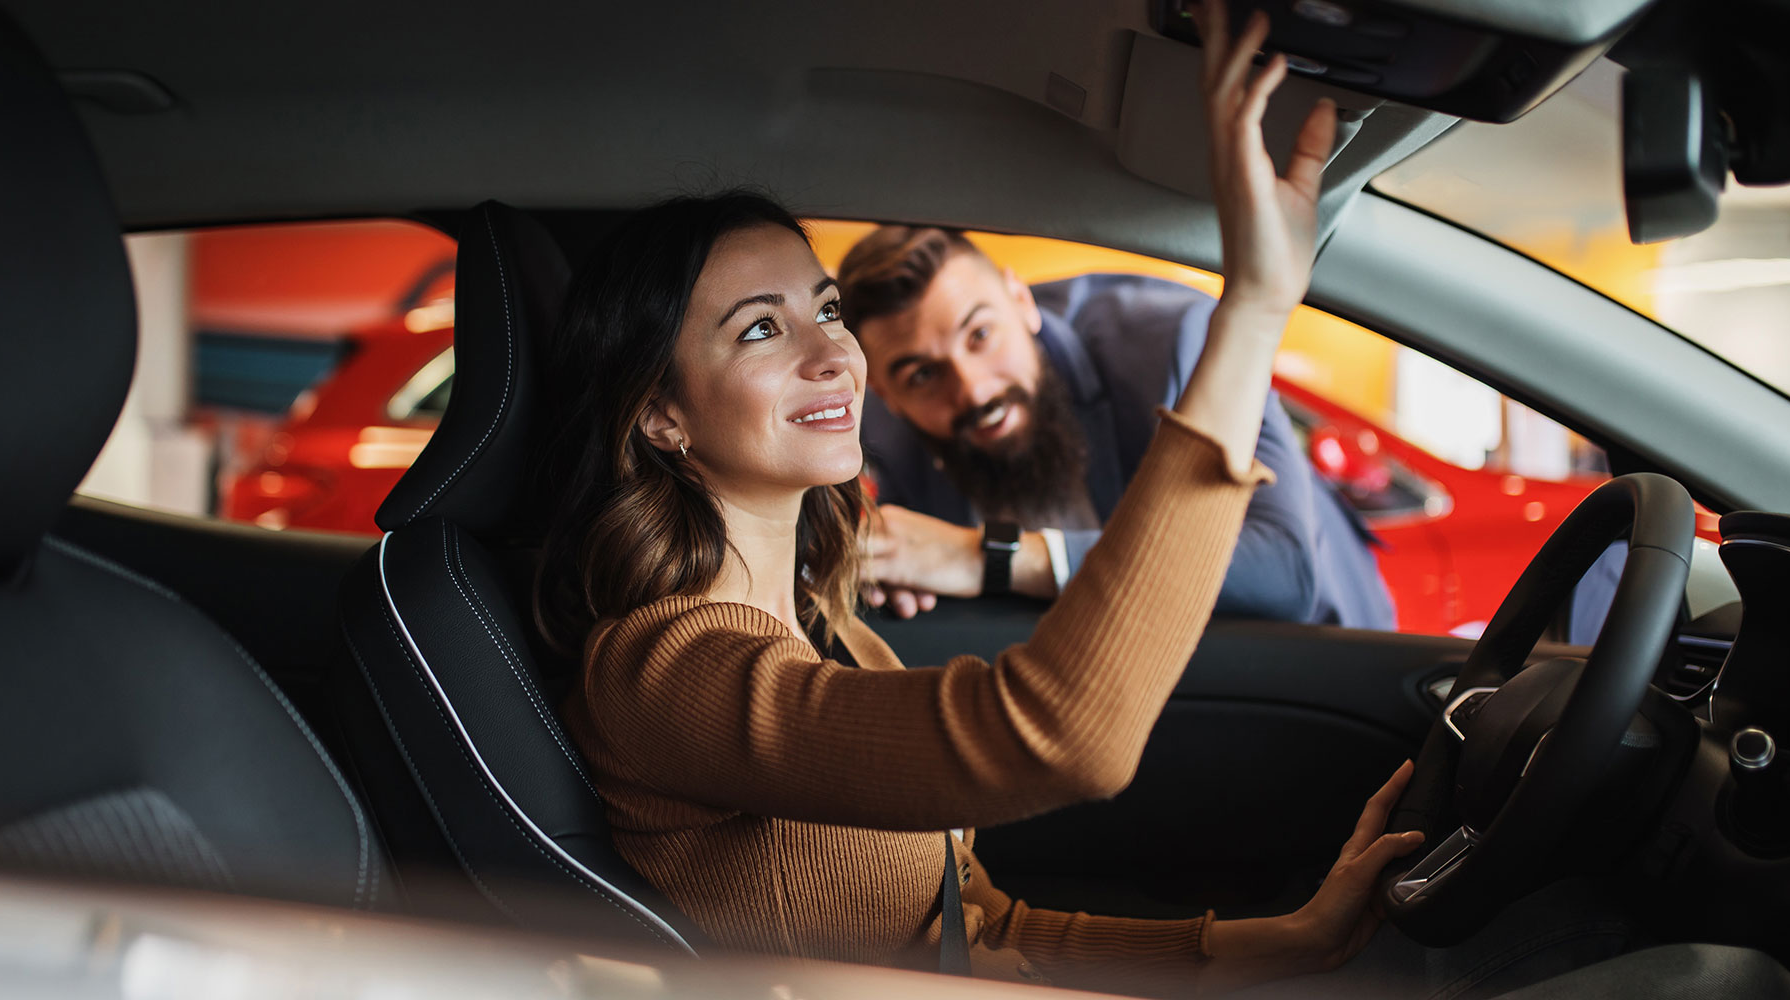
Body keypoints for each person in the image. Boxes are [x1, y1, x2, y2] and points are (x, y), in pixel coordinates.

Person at [525, 2, 1567, 994]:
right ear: (660, 415)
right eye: (760, 328)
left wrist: (1281, 942)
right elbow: (1060, 734)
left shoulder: (824, 627)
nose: (831, 354)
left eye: (824, 308)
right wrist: (1253, 306)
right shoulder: (663, 671)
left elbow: (980, 935)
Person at [838, 231, 1397, 631]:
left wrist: (986, 557)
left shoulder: (1177, 345)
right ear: (886, 393)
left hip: (1313, 675)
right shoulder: (881, 430)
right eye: (923, 375)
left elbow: (1282, 573)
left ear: (1021, 301)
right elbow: (910, 566)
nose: (974, 391)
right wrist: (888, 575)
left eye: (981, 334)